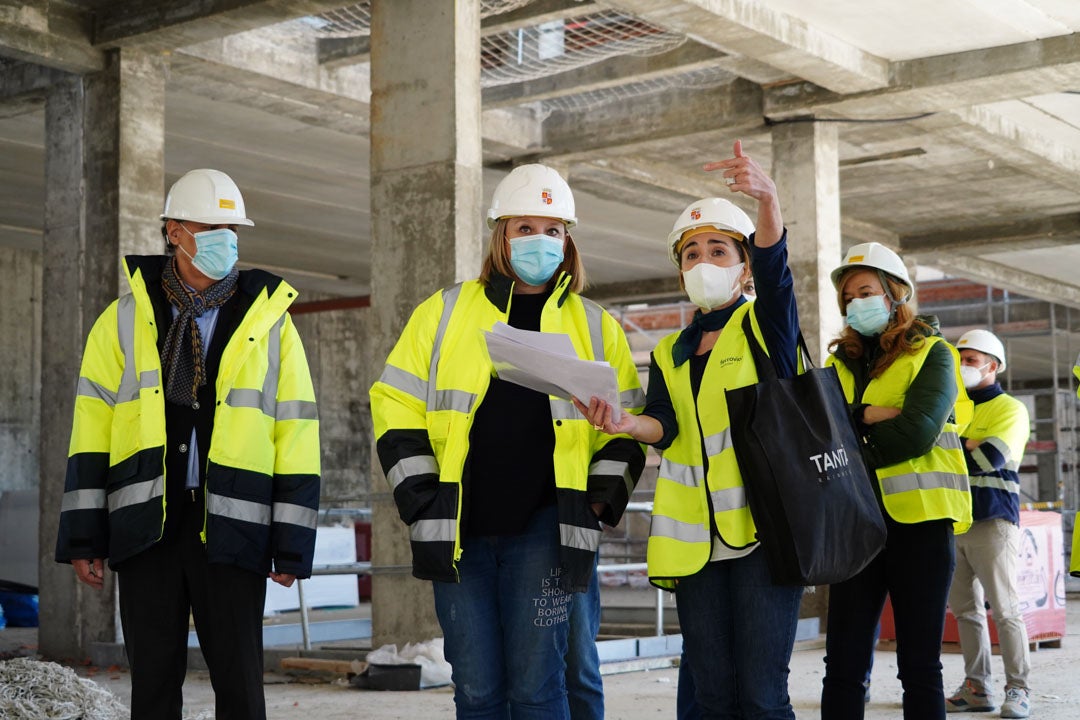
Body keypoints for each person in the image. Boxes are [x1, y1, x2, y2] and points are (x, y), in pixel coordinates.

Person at [369, 163, 646, 719]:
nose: (539, 241)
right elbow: (395, 403)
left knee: (538, 686)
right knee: (474, 688)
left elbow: (629, 425)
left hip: (546, 527)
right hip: (458, 527)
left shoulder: (596, 325)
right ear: (501, 234)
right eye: (525, 228)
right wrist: (422, 497)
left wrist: (595, 504)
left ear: (568, 240)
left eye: (552, 230)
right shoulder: (443, 312)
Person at [54, 169, 321, 720]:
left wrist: (292, 541)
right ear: (174, 231)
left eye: (233, 228)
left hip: (234, 525)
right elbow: (91, 429)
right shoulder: (122, 320)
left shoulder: (271, 323)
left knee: (241, 684)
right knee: (152, 684)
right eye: (212, 226)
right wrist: (85, 534)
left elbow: (296, 431)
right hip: (147, 525)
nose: (227, 240)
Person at [576, 140, 802, 719]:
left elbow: (779, 281)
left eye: (719, 250)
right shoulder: (672, 350)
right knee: (712, 694)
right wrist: (626, 423)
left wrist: (768, 200)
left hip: (760, 534)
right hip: (692, 545)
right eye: (691, 253)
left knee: (761, 694)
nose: (703, 262)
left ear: (744, 264)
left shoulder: (764, 328)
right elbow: (666, 426)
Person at [819, 242, 972, 720]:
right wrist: (868, 414)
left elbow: (918, 431)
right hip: (853, 525)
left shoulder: (935, 354)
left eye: (866, 291)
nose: (855, 303)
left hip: (921, 526)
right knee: (842, 663)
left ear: (895, 293)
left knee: (919, 665)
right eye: (848, 297)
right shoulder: (836, 364)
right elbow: (819, 430)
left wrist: (853, 424)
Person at [945, 329, 1032, 717]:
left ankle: (1018, 688)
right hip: (954, 521)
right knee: (965, 611)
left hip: (993, 519)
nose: (962, 366)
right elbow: (936, 457)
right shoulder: (952, 406)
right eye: (959, 358)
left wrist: (956, 446)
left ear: (993, 366)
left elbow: (990, 459)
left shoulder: (1010, 409)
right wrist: (966, 445)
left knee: (1005, 609)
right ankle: (977, 687)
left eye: (971, 360)